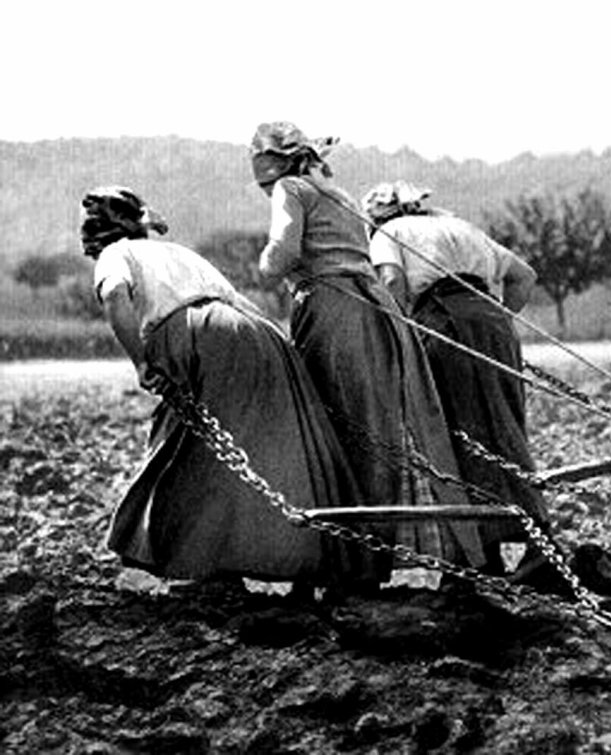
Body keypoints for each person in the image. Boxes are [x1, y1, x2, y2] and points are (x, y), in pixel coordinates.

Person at [81, 185, 363, 589]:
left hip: (196, 335)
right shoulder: (180, 253)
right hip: (257, 333)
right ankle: (308, 562)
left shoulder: (115, 255)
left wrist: (141, 359)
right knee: (279, 447)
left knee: (192, 448)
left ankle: (205, 564)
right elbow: (239, 303)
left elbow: (115, 297)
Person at [249, 122, 486, 581]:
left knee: (343, 428)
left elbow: (280, 254)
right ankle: (413, 553)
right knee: (388, 423)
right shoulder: (339, 196)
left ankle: (354, 564)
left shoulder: (290, 189)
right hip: (377, 309)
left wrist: (264, 268)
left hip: (334, 309)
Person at [363, 181, 563, 586]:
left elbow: (391, 283)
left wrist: (399, 335)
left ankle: (479, 558)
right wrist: (490, 319)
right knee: (505, 428)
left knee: (454, 436)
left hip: (441, 323)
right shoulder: (461, 228)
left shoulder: (389, 234)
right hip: (495, 325)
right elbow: (523, 276)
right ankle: (538, 546)